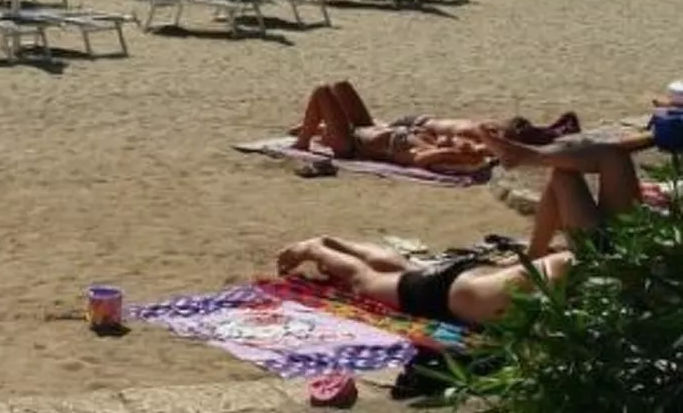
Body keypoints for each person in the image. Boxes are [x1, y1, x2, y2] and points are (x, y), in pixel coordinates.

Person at [277, 136, 649, 326]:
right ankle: (316, 246)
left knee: (395, 273)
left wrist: (537, 252)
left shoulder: (594, 264)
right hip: (458, 289)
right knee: (372, 278)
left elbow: (579, 175)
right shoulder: (595, 270)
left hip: (456, 288)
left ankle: (326, 244)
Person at [291, 81, 577, 175]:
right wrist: (467, 151)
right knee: (340, 86)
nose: (455, 142)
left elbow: (466, 157)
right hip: (366, 129)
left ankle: (303, 142)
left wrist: (456, 155)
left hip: (352, 143)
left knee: (322, 91)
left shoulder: (422, 155)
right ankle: (313, 130)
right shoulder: (432, 141)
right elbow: (476, 153)